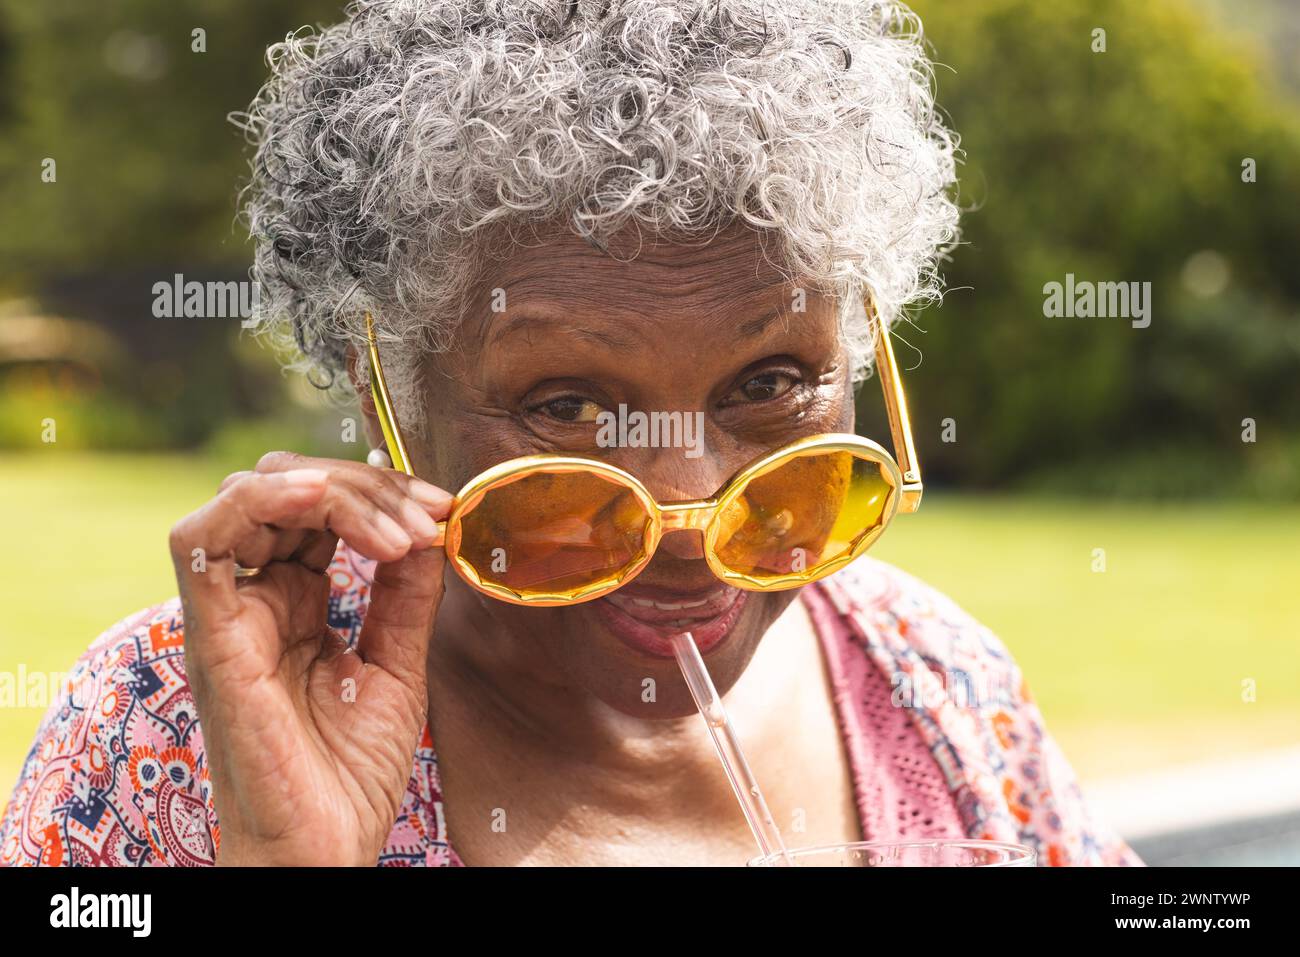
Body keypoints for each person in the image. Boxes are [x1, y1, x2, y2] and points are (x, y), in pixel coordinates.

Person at [0, 0, 1139, 867]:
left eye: (770, 380)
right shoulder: (179, 720)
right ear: (386, 385)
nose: (688, 519)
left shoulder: (932, 681)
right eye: (568, 408)